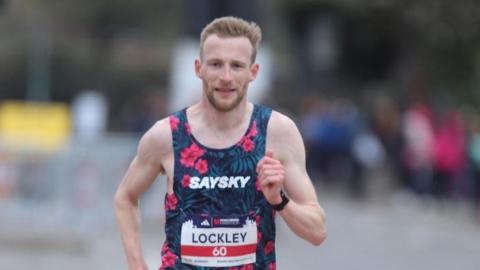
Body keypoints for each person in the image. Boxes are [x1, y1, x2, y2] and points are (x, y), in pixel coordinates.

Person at [114, 16, 327, 270]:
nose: (226, 76)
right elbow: (125, 197)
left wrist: (279, 200)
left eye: (236, 66)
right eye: (216, 64)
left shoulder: (276, 132)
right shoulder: (167, 135)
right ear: (198, 68)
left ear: (253, 72)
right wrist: (137, 265)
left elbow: (317, 231)